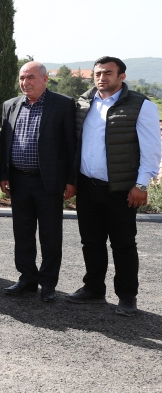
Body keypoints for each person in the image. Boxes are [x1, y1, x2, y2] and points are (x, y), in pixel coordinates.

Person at [65, 56, 161, 316]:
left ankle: (127, 296)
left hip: (121, 189)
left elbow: (152, 149)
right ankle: (94, 289)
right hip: (87, 186)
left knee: (123, 244)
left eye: (108, 73)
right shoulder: (84, 103)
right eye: (98, 73)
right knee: (91, 242)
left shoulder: (141, 105)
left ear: (122, 76)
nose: (101, 77)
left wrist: (141, 184)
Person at [0, 61, 76, 302]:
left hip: (48, 182)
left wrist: (71, 180)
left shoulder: (63, 104)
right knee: (22, 233)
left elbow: (72, 145)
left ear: (45, 79)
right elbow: (5, 143)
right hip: (19, 180)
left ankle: (49, 283)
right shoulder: (10, 105)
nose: (25, 82)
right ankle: (27, 278)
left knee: (50, 235)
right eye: (22, 78)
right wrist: (3, 174)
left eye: (31, 77)